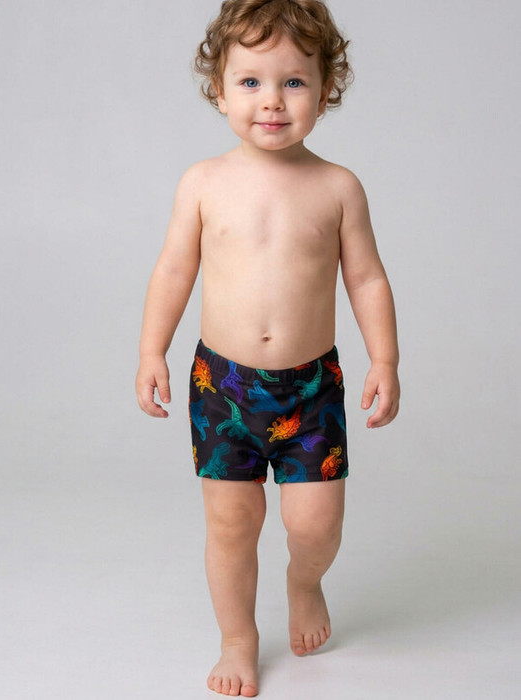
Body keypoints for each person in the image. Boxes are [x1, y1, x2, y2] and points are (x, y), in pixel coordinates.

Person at [135, 0, 400, 695]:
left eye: (293, 81)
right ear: (219, 89)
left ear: (325, 89)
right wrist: (151, 351)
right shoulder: (202, 183)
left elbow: (366, 278)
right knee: (231, 524)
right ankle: (238, 637)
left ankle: (304, 583)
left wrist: (385, 359)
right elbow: (173, 270)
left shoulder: (337, 188)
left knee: (316, 527)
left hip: (311, 391)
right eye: (250, 81)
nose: (272, 101)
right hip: (221, 387)